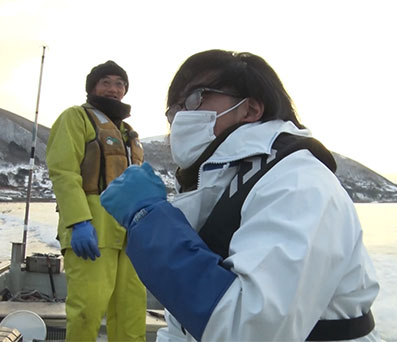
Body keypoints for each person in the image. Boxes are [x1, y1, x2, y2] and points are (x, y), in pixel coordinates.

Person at [100, 50, 380, 341]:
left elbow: (249, 328)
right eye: (175, 110)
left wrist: (150, 220)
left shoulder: (297, 183)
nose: (181, 116)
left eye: (196, 98)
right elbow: (183, 322)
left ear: (250, 110)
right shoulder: (219, 186)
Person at [46, 60, 146, 341]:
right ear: (92, 87)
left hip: (129, 235)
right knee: (87, 311)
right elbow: (63, 172)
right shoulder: (75, 118)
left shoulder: (130, 134)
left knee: (131, 311)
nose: (114, 89)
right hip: (92, 232)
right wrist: (79, 222)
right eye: (106, 82)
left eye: (120, 84)